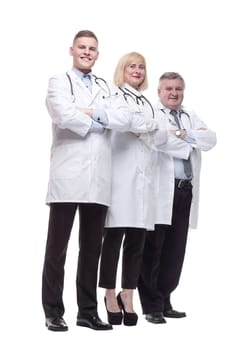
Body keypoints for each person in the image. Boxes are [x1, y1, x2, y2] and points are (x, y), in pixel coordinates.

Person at [42, 31, 157, 332]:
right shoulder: (59, 81)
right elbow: (62, 114)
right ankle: (53, 310)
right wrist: (99, 122)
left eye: (92, 48)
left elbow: (125, 119)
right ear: (72, 50)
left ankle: (87, 312)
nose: (87, 52)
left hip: (99, 179)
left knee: (92, 248)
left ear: (97, 54)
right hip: (68, 175)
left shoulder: (108, 87)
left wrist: (92, 114)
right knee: (57, 249)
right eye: (82, 47)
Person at [138, 72, 217, 324]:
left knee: (175, 249)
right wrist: (189, 137)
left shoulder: (189, 115)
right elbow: (158, 141)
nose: (174, 93)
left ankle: (165, 299)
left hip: (185, 190)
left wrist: (181, 134)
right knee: (153, 247)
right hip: (161, 189)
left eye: (178, 89)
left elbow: (211, 139)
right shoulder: (152, 113)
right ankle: (151, 305)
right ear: (159, 92)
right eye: (169, 88)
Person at [98, 52, 167, 326]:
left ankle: (129, 293)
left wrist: (146, 128)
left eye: (141, 67)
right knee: (113, 240)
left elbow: (160, 135)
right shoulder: (115, 97)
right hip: (121, 178)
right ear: (122, 70)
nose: (137, 70)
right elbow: (120, 122)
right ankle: (109, 293)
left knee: (137, 241)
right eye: (132, 66)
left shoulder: (149, 103)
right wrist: (147, 127)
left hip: (144, 180)